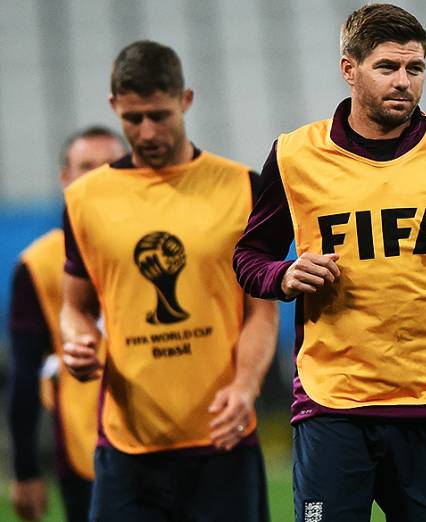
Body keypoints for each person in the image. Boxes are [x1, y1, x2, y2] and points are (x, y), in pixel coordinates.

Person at [233, 5, 426, 521]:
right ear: (350, 69)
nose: (404, 82)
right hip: (335, 402)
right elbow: (249, 257)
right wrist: (284, 275)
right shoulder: (295, 155)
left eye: (415, 68)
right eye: (387, 67)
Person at [60, 40, 278, 521]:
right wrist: (76, 340)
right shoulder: (85, 200)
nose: (147, 131)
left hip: (222, 440)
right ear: (115, 106)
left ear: (186, 100)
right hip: (128, 447)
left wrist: (245, 386)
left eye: (160, 115)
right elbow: (75, 306)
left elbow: (260, 309)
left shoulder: (244, 187)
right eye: (133, 119)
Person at [7, 126, 126, 522]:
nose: (98, 176)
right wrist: (25, 470)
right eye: (86, 166)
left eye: (110, 165)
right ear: (65, 178)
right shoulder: (39, 264)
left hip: (182, 438)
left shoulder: (169, 241)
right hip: (85, 449)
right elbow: (24, 375)